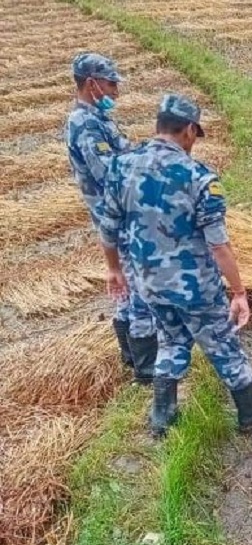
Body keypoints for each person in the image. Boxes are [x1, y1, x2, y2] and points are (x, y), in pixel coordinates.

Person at [98, 94, 252, 437]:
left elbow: (108, 229)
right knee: (221, 343)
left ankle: (162, 418)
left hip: (148, 283)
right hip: (194, 286)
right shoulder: (199, 177)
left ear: (158, 126)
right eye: (196, 134)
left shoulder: (121, 166)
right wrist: (239, 292)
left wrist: (114, 270)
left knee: (171, 341)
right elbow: (218, 244)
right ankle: (251, 410)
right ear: (190, 130)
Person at [65, 52, 157, 383]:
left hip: (117, 215)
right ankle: (147, 370)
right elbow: (109, 175)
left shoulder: (97, 119)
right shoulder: (85, 124)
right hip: (118, 218)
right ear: (91, 84)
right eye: (110, 84)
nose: (116, 92)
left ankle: (131, 356)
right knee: (139, 287)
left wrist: (148, 150)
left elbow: (122, 152)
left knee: (123, 287)